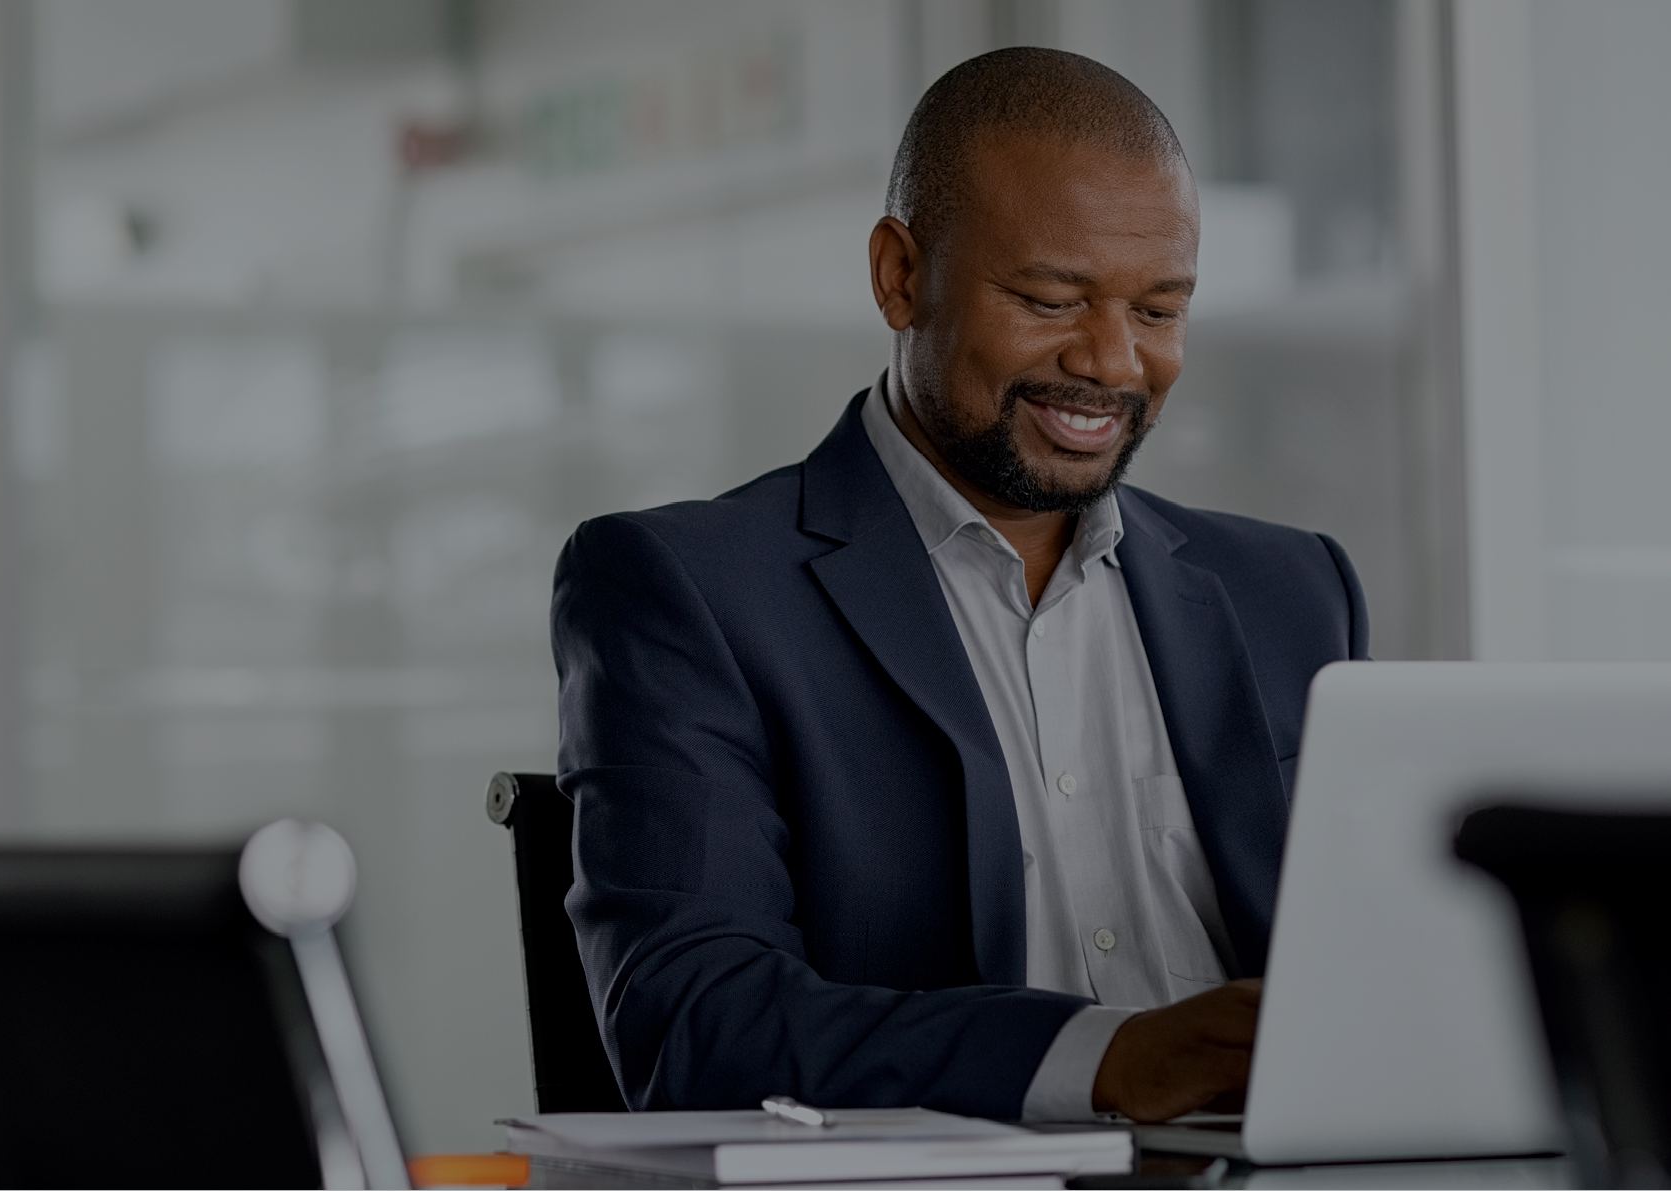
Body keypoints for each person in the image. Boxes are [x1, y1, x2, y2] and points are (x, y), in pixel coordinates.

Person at [551, 47, 1368, 1124]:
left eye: (1160, 312)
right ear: (900, 276)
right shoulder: (690, 590)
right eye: (1049, 298)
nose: (1115, 363)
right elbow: (697, 1023)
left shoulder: (1291, 589)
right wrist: (1108, 1059)